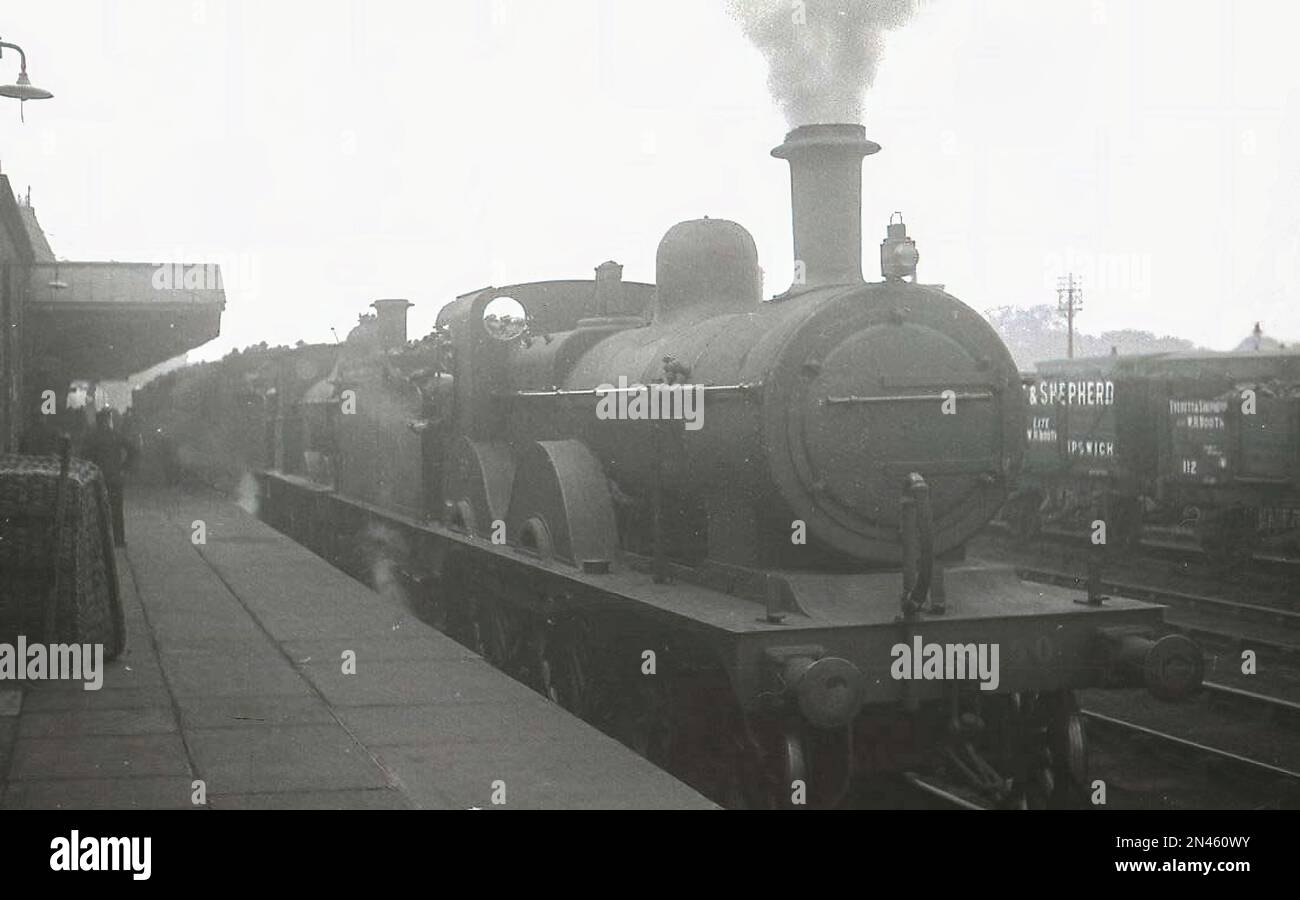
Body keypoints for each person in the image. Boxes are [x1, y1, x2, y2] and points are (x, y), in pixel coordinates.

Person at [84, 408, 138, 547]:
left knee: (97, 510)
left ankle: (99, 540)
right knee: (116, 510)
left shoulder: (92, 438)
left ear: (98, 421)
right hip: (114, 477)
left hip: (96, 479)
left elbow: (84, 457)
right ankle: (118, 539)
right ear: (108, 420)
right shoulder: (116, 435)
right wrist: (124, 467)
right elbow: (134, 451)